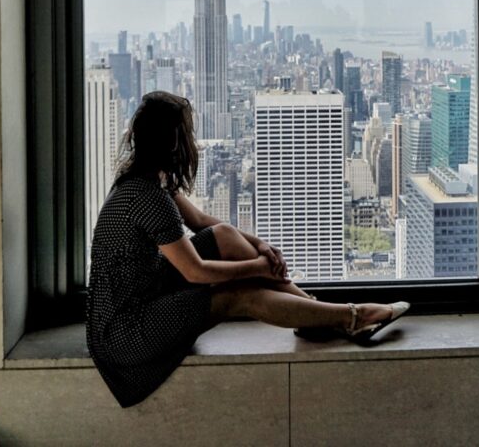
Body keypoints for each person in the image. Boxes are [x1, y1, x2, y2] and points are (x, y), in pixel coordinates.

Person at [86, 91, 410, 407]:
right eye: (188, 132)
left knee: (224, 235)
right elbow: (195, 271)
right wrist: (258, 267)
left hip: (144, 295)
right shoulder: (148, 197)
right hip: (125, 333)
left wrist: (260, 246)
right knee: (240, 296)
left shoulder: (146, 182)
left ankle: (315, 314)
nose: (193, 141)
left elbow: (200, 220)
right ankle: (352, 317)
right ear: (172, 142)